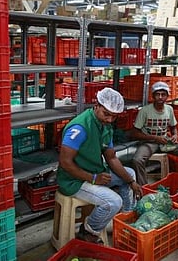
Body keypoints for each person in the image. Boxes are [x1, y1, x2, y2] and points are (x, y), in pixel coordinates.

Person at [56, 87, 142, 244]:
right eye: (106, 114)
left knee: (130, 173)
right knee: (113, 201)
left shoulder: (105, 126)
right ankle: (87, 231)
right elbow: (65, 163)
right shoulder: (80, 128)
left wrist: (131, 181)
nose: (109, 119)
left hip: (94, 172)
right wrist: (93, 178)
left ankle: (126, 220)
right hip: (74, 180)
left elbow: (111, 158)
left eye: (113, 117)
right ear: (96, 105)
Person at [129, 81, 178, 185]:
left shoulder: (169, 109)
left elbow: (173, 127)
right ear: (153, 96)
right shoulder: (145, 111)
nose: (160, 97)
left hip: (166, 141)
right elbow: (134, 133)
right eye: (157, 94)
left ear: (167, 96)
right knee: (137, 159)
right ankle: (144, 187)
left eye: (163, 94)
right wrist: (155, 138)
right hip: (149, 142)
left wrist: (175, 135)